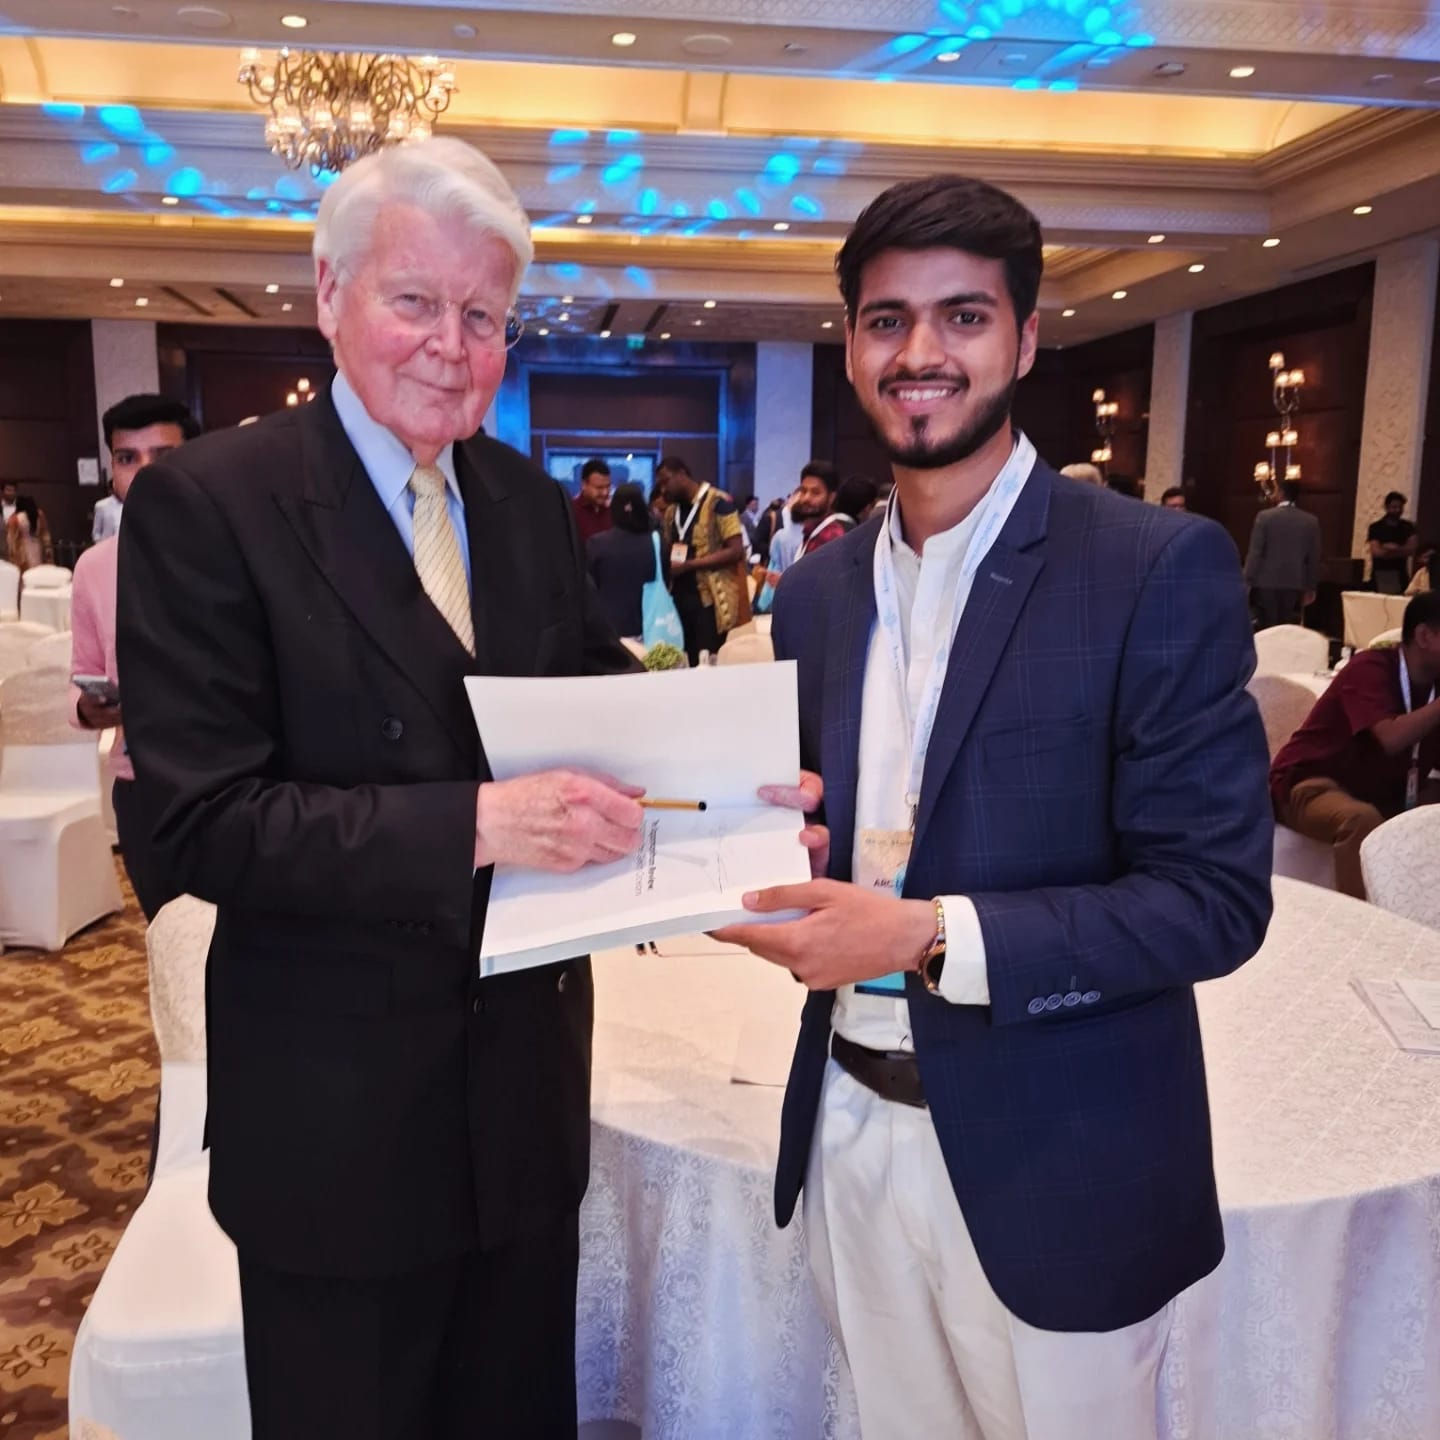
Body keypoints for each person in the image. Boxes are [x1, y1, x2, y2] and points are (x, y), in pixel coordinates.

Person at [715, 173, 1271, 1440]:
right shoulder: (815, 593)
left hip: (1062, 1160)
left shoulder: (1148, 567)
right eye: (885, 321)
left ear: (1025, 339)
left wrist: (924, 935)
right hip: (852, 1119)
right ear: (850, 349)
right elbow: (839, 831)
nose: (920, 354)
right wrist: (771, 850)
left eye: (962, 318)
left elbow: (1215, 901)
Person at [116, 136, 644, 1439]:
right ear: (328, 293)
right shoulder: (212, 503)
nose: (451, 346)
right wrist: (470, 825)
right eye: (417, 301)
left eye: (485, 317)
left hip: (522, 1103)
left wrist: (731, 778)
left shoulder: (524, 504)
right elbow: (194, 824)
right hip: (335, 1124)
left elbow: (586, 703)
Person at [70, 392, 199, 920]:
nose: (145, 473)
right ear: (112, 471)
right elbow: (83, 674)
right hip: (143, 783)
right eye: (128, 458)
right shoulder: (95, 568)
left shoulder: (246, 546)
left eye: (163, 456)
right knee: (168, 937)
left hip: (242, 782)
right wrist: (88, 708)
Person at [1271, 591, 1440, 898]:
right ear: (1425, 635)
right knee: (1360, 821)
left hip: (1387, 792)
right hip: (1312, 784)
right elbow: (1391, 739)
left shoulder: (1434, 685)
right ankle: (1366, 923)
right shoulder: (1370, 668)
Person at [659, 455, 749, 665]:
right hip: (679, 597)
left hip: (711, 601)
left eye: (666, 481)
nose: (663, 489)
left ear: (682, 475)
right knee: (686, 659)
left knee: (709, 660)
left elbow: (736, 551)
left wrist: (690, 565)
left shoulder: (719, 503)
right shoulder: (672, 511)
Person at [586, 481, 667, 639]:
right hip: (651, 629)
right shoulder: (657, 542)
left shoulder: (596, 543)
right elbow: (666, 579)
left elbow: (589, 588)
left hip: (609, 632)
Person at [1244, 479, 1322, 629]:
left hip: (1266, 582)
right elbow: (1313, 557)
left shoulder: (1264, 517)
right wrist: (1311, 586)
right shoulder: (1311, 521)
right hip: (1294, 582)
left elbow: (1255, 553)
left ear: (1280, 493)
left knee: (1267, 627)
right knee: (1287, 627)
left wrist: (1247, 580)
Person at [794, 460, 849, 559]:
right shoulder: (812, 530)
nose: (806, 498)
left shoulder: (830, 535)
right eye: (803, 490)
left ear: (831, 497)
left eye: (815, 493)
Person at [1368, 491, 1417, 595]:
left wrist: (1392, 549)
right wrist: (1401, 551)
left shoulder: (1408, 527)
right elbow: (1376, 552)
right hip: (1380, 575)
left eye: (1400, 507)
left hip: (1401, 575)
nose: (1397, 510)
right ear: (1386, 507)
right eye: (1394, 507)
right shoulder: (1376, 527)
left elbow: (1412, 550)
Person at [6, 495, 53, 573]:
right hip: (38, 546)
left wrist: (12, 557)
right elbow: (45, 534)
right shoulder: (39, 514)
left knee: (27, 573)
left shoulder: (15, 518)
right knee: (39, 571)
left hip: (23, 549)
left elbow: (11, 540)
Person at [572, 456, 612, 545]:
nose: (605, 493)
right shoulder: (572, 511)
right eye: (599, 488)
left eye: (608, 486)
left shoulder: (614, 512)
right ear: (584, 485)